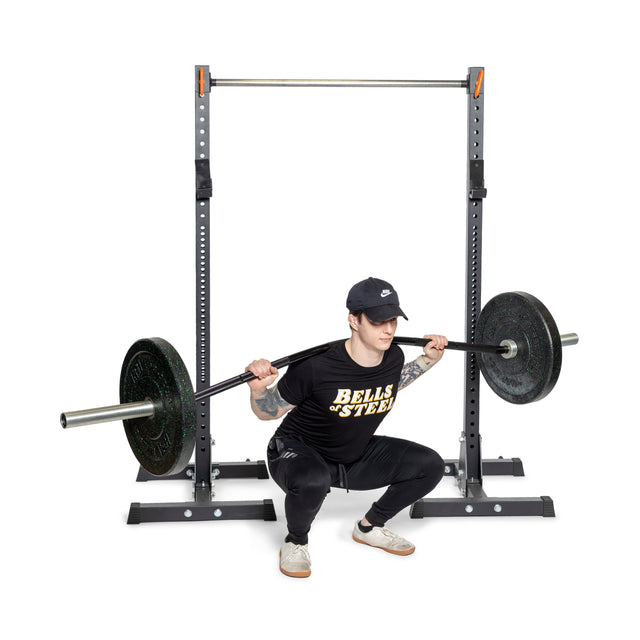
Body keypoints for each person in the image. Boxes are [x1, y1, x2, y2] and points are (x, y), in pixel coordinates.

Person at [245, 277, 447, 578]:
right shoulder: (316, 366)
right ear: (354, 320)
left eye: (392, 320)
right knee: (315, 479)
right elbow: (270, 413)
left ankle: (369, 527)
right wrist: (259, 391)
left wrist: (427, 361)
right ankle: (295, 541)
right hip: (295, 453)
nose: (389, 329)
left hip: (352, 456)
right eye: (378, 321)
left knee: (430, 465)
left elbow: (392, 383)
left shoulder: (394, 357)